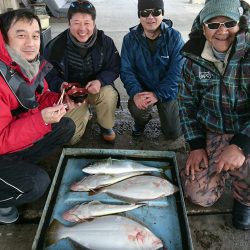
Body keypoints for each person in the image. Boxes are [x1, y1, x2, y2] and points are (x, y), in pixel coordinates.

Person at [178, 0, 250, 230]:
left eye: (229, 23)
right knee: (198, 194)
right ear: (203, 27)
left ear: (239, 25)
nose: (222, 31)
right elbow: (186, 104)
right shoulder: (192, 58)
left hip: (245, 130)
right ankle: (227, 170)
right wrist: (196, 145)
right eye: (213, 24)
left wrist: (240, 145)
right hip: (213, 130)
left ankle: (244, 198)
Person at [0, 9, 76, 224]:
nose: (31, 43)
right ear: (4, 38)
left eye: (35, 36)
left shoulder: (25, 64)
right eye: (21, 35)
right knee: (37, 183)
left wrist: (59, 100)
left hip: (10, 142)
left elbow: (36, 99)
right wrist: (42, 120)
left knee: (65, 126)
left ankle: (15, 171)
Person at [44, 0, 120, 144]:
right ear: (69, 24)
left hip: (96, 90)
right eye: (77, 23)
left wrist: (100, 81)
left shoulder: (105, 42)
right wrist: (60, 85)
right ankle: (84, 113)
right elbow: (47, 74)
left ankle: (106, 126)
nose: (82, 29)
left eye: (87, 23)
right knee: (70, 139)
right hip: (70, 96)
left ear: (94, 23)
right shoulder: (55, 46)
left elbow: (114, 67)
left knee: (109, 93)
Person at [120, 0, 184, 139]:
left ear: (162, 14)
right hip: (142, 89)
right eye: (144, 13)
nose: (150, 17)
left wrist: (157, 94)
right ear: (139, 15)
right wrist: (136, 93)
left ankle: (167, 118)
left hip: (168, 91)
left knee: (173, 134)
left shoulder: (175, 37)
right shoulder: (129, 39)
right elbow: (126, 71)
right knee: (137, 108)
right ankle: (141, 121)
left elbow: (177, 73)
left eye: (156, 12)